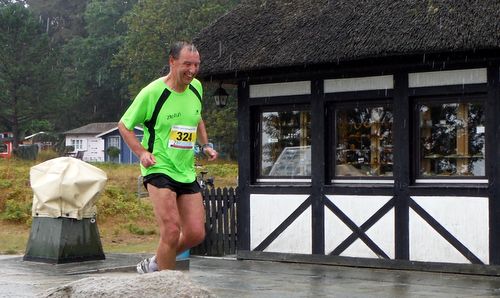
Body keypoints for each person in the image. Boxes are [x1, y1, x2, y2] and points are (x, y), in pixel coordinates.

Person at [118, 41, 218, 272]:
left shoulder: (196, 88)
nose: (192, 70)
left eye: (196, 65)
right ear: (172, 62)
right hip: (158, 167)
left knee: (195, 233)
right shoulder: (152, 93)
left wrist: (205, 145)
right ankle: (164, 286)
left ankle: (155, 264)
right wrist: (141, 152)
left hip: (185, 170)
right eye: (187, 64)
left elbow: (197, 117)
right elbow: (124, 125)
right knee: (171, 231)